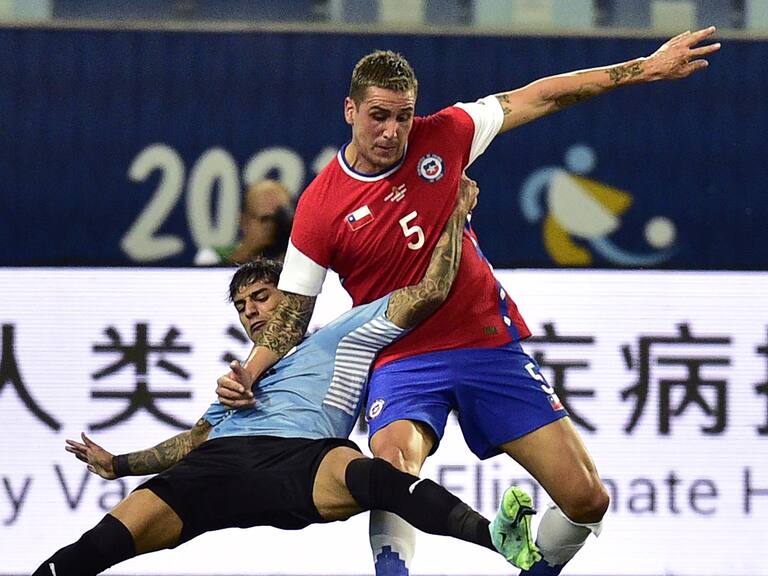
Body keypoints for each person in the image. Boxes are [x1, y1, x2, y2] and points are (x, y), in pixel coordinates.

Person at [215, 27, 721, 576]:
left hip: (485, 343)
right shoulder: (320, 204)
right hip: (400, 355)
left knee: (588, 499)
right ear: (350, 111)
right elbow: (292, 314)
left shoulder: (448, 133)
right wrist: (250, 373)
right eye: (378, 116)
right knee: (392, 466)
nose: (391, 132)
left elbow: (543, 96)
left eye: (403, 116)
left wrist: (644, 68)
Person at [33, 178, 540, 576]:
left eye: (261, 297)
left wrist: (454, 215)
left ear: (292, 297)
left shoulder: (342, 335)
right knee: (93, 548)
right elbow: (193, 441)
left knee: (379, 478)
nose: (252, 311)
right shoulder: (240, 380)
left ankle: (492, 535)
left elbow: (430, 291)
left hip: (301, 459)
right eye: (242, 306)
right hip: (214, 469)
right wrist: (117, 464)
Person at [194, 179, 294, 265]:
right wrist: (251, 251)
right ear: (244, 222)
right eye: (266, 219)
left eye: (281, 217)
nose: (275, 226)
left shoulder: (297, 258)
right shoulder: (213, 257)